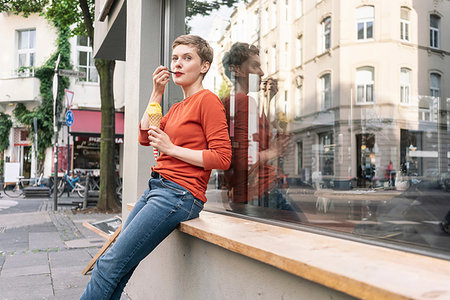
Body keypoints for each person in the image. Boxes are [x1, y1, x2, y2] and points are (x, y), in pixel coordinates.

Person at [80, 35, 231, 300]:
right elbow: (144, 135)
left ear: (204, 66)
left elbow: (222, 158)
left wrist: (171, 148)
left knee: (108, 264)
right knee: (119, 267)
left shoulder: (208, 101)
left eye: (187, 58)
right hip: (156, 189)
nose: (178, 64)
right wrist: (156, 93)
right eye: (175, 58)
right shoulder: (174, 109)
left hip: (179, 194)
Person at [221, 42, 304, 222]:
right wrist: (273, 152)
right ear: (237, 70)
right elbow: (241, 160)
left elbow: (259, 138)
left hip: (253, 193)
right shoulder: (243, 103)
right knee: (304, 236)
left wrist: (269, 100)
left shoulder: (236, 101)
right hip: (260, 192)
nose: (262, 72)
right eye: (255, 65)